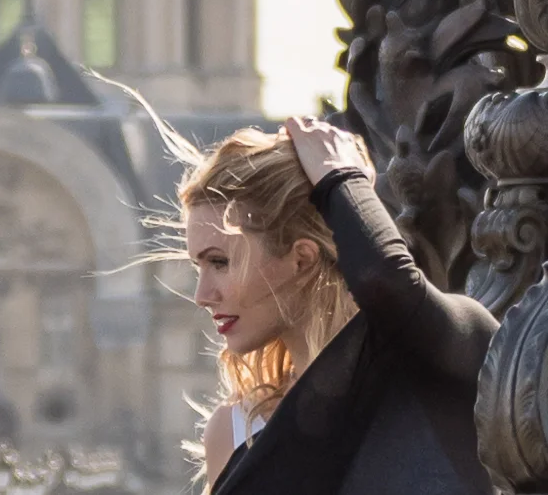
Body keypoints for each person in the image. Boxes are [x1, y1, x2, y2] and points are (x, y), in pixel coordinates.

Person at [162, 114, 498, 494]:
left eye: (219, 262)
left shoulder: (440, 355)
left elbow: (385, 280)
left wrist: (340, 179)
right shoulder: (236, 432)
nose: (202, 295)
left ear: (302, 259)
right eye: (198, 266)